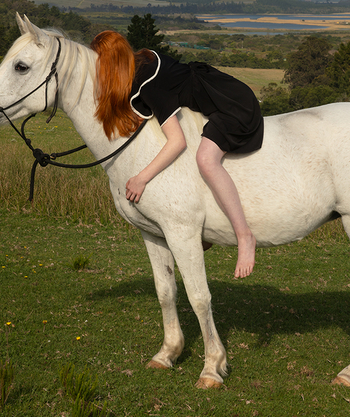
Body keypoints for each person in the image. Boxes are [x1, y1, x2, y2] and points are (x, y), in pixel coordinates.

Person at [91, 30, 264, 279]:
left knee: (206, 160)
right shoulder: (144, 57)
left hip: (231, 106)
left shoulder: (149, 84)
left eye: (101, 65)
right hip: (220, 91)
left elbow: (177, 142)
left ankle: (245, 236)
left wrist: (141, 178)